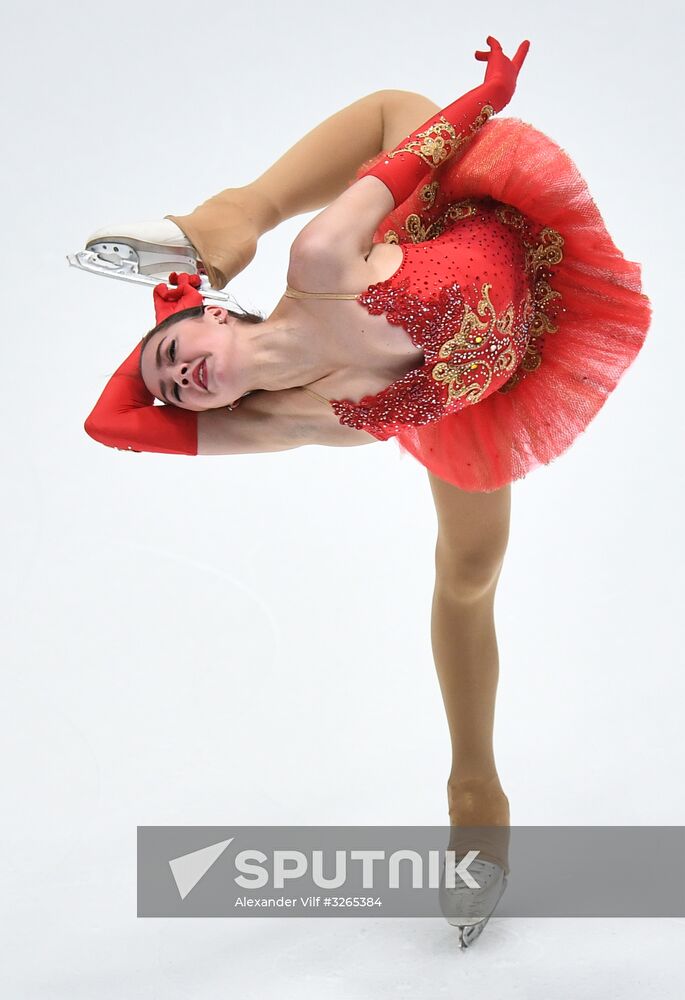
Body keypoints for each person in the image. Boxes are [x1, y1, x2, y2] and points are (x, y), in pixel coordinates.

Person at [79, 36, 652, 945]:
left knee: (398, 107)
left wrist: (486, 94)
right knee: (467, 577)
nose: (177, 378)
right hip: (473, 400)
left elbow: (409, 145)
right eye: (173, 382)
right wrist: (161, 349)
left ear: (218, 314)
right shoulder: (286, 420)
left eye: (180, 354)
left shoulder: (320, 261)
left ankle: (231, 213)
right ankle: (475, 788)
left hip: (478, 240)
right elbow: (113, 426)